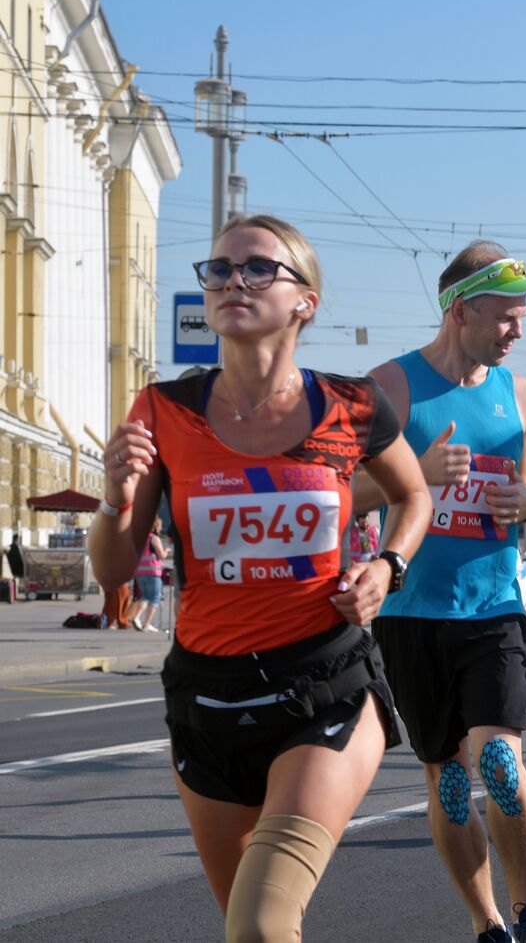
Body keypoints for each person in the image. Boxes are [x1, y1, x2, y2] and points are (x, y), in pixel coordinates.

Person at [87, 214, 431, 940]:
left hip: (324, 688)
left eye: (256, 268)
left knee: (263, 921)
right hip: (205, 698)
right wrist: (114, 498)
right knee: (248, 928)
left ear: (305, 299)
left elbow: (414, 493)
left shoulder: (352, 405)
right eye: (218, 269)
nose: (231, 280)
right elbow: (116, 569)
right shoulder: (164, 409)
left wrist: (387, 564)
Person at [354, 241, 526, 943]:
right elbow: (335, 494)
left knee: (501, 764)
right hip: (412, 612)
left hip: (494, 605)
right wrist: (414, 472)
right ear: (458, 309)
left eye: (522, 316)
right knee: (447, 780)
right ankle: (488, 922)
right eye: (506, 315)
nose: (518, 329)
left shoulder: (523, 396)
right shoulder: (390, 385)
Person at [130, 516, 168, 632]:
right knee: (154, 598)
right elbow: (161, 555)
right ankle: (147, 624)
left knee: (145, 596)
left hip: (140, 572)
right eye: (160, 526)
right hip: (153, 571)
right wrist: (166, 551)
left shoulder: (140, 538)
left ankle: (136, 617)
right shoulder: (154, 538)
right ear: (156, 526)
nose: (161, 529)